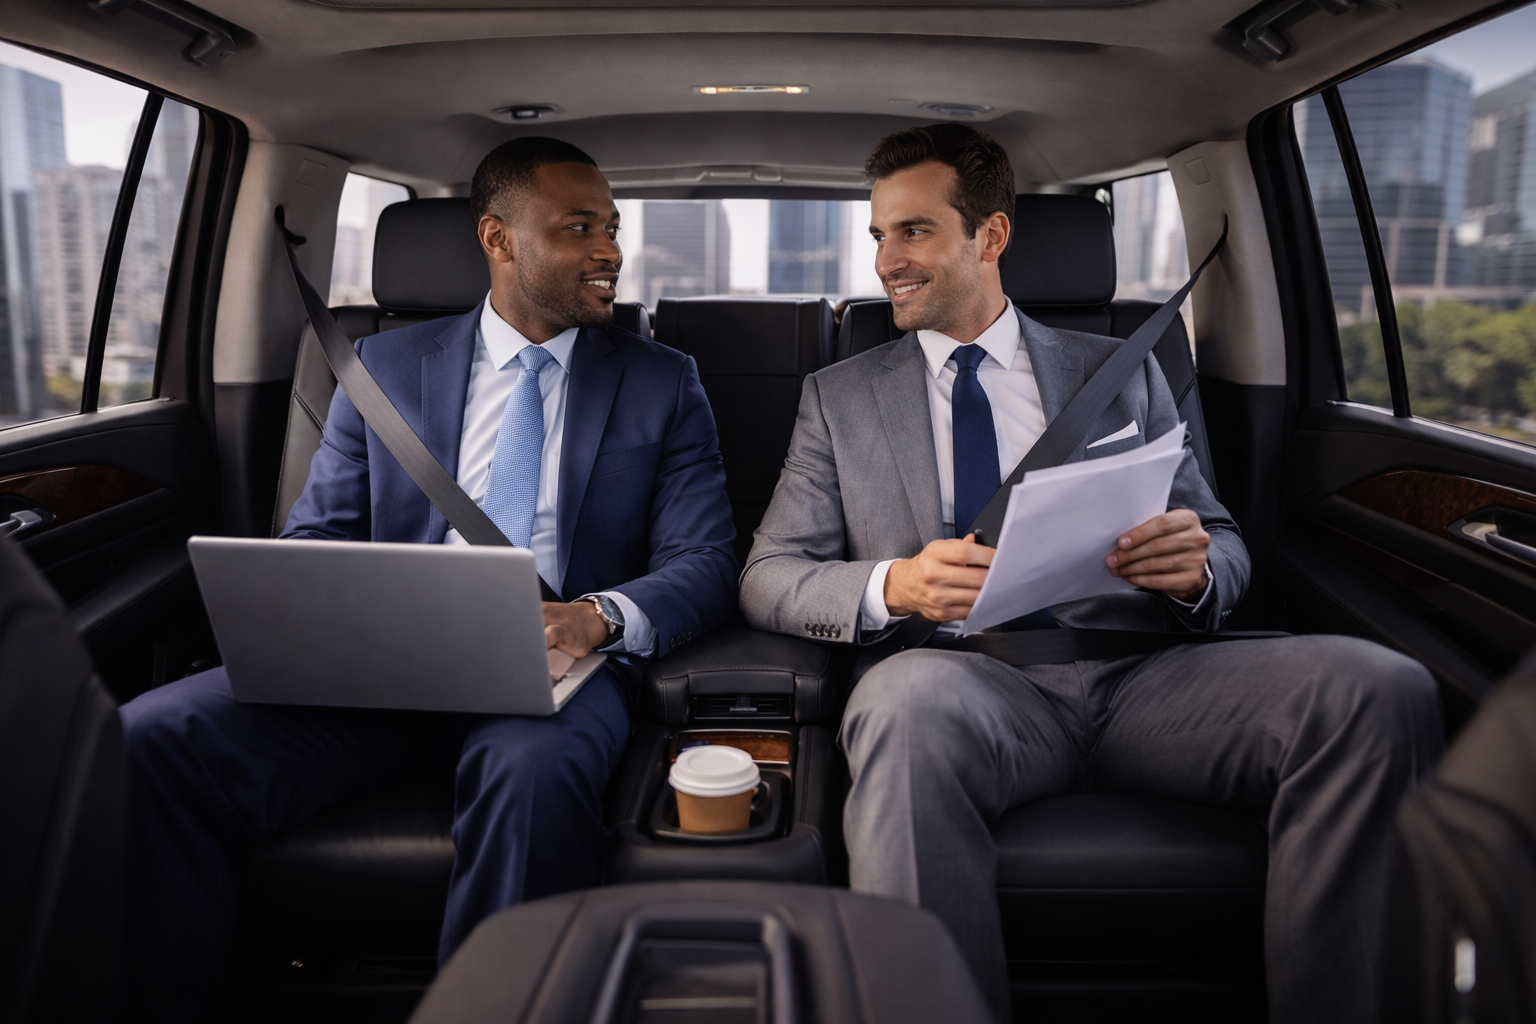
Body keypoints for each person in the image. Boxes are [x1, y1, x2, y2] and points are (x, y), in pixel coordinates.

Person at [738, 123, 1443, 1024]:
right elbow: (768, 574)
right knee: (901, 706)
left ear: (990, 236)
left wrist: (1194, 569)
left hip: (1147, 677)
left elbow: (1222, 539)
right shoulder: (840, 397)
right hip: (965, 684)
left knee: (1379, 689)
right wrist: (894, 586)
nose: (887, 261)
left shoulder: (1120, 368)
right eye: (879, 235)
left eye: (914, 231)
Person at [119, 137, 737, 1022]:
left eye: (612, 228)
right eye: (579, 228)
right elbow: (317, 538)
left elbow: (705, 562)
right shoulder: (382, 369)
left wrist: (595, 617)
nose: (609, 249)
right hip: (378, 672)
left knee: (530, 780)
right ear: (498, 238)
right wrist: (323, 612)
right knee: (149, 736)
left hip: (556, 671)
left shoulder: (662, 382)